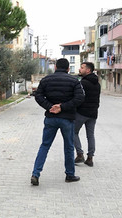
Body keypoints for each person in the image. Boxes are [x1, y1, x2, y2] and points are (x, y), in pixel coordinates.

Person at [31, 58, 85, 186]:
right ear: (68, 69)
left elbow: (38, 96)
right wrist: (62, 107)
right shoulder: (74, 81)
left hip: (50, 118)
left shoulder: (46, 80)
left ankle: (35, 174)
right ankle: (70, 175)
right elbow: (80, 98)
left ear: (55, 67)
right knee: (69, 147)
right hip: (67, 118)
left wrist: (50, 107)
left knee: (45, 146)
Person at [74, 62, 101, 167]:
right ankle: (90, 158)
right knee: (90, 135)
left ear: (88, 70)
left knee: (73, 132)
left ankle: (80, 154)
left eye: (82, 68)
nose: (80, 69)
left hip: (81, 112)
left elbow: (78, 97)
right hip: (93, 113)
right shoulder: (97, 83)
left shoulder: (83, 83)